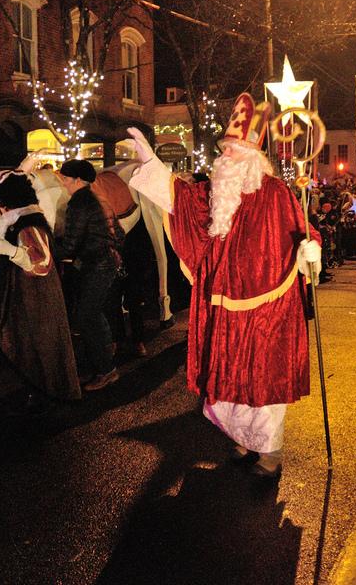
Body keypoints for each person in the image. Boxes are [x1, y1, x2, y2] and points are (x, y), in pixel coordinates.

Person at [126, 93, 320, 479]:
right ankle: (244, 439)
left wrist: (310, 248)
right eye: (224, 150)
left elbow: (303, 232)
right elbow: (180, 199)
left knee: (262, 380)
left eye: (234, 150)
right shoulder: (215, 195)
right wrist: (151, 162)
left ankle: (270, 451)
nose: (225, 157)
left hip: (268, 310)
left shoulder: (277, 193)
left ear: (253, 158)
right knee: (230, 375)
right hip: (224, 306)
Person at [0, 172, 80, 412]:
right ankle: (40, 391)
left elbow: (41, 264)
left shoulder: (29, 225)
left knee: (42, 344)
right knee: (32, 345)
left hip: (38, 297)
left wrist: (10, 252)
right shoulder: (20, 222)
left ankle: (51, 394)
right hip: (28, 294)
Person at [56, 159, 120, 392]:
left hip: (95, 264)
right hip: (107, 262)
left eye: (65, 178)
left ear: (77, 180)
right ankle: (104, 367)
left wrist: (47, 251)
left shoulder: (78, 203)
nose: (63, 183)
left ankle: (106, 371)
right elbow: (119, 233)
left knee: (87, 316)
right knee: (93, 315)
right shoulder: (99, 198)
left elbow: (70, 245)